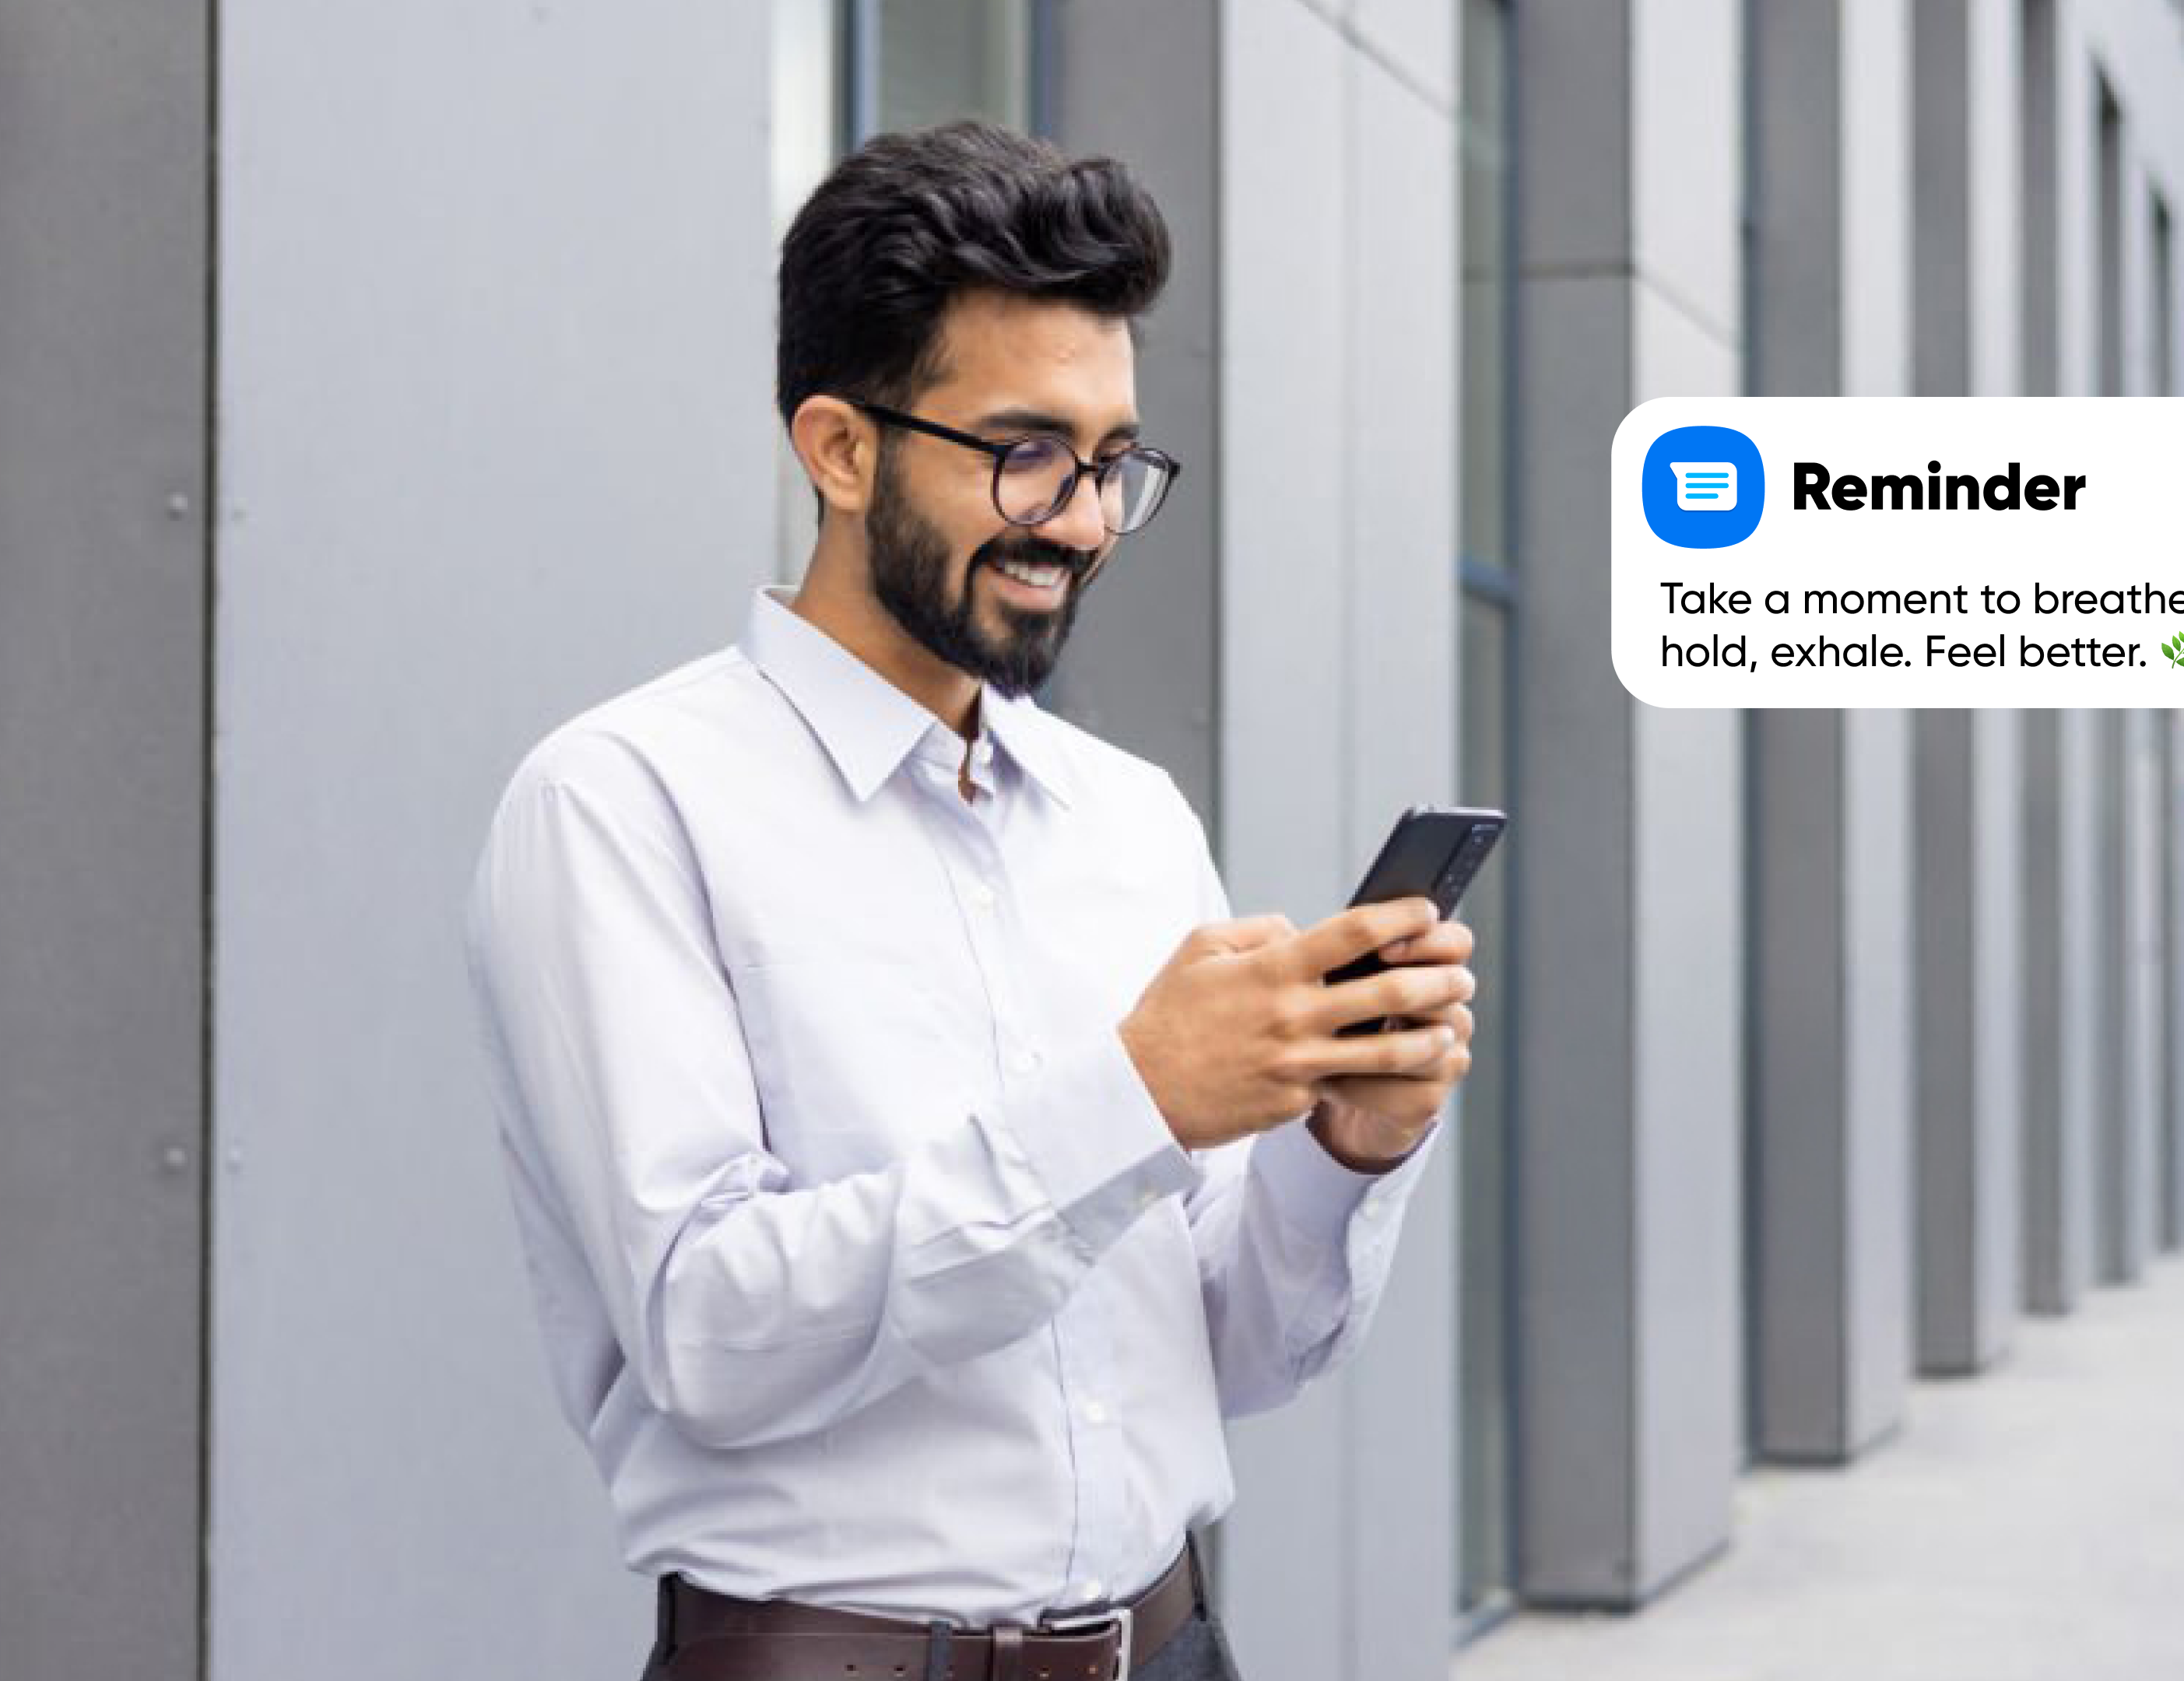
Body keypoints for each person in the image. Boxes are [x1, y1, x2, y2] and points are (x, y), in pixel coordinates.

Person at [459, 121, 1476, 1681]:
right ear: (841, 449)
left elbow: (1230, 1350)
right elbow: (713, 1335)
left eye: (1111, 462)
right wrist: (1135, 1098)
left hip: (1176, 1646)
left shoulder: (1132, 821)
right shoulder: (620, 805)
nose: (1078, 519)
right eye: (1024, 452)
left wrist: (1344, 1153)